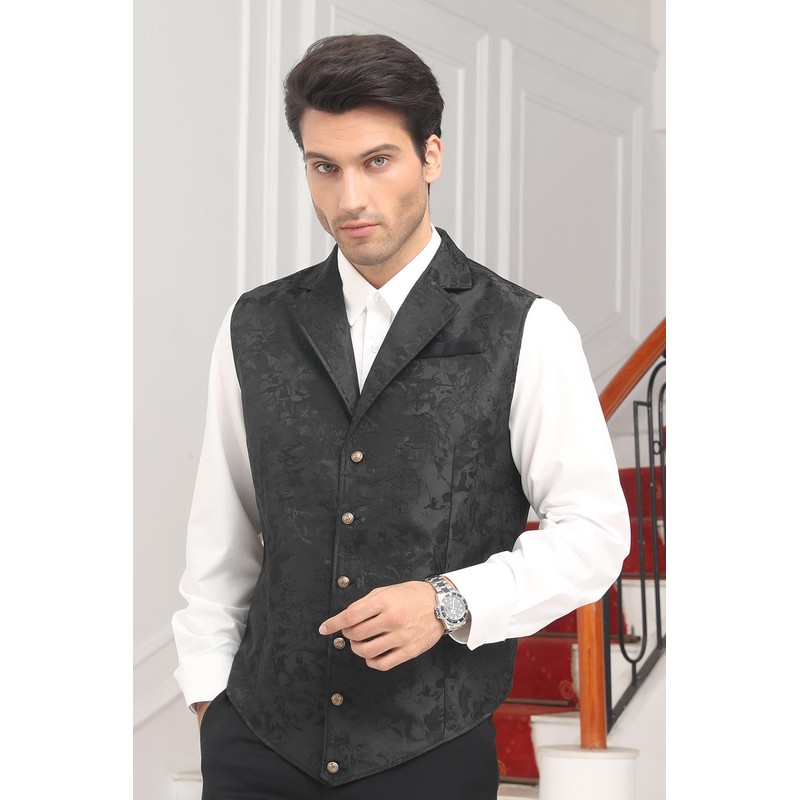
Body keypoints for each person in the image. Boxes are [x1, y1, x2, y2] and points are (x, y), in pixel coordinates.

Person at [172, 32, 630, 800]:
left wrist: (448, 602)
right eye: (325, 167)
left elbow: (594, 535)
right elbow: (223, 538)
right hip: (255, 744)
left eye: (377, 161)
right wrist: (209, 698)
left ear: (431, 157)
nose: (350, 198)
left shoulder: (525, 328)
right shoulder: (253, 325)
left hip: (429, 755)